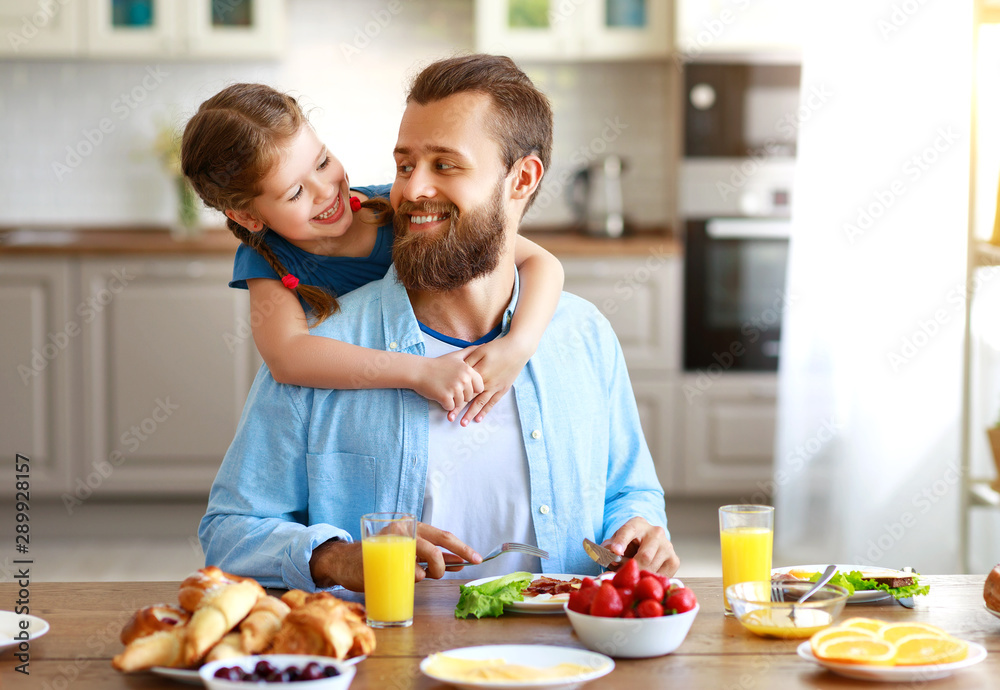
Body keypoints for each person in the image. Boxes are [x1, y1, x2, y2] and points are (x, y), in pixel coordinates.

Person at [200, 54, 679, 592]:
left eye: (445, 165)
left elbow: (630, 492)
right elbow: (229, 532)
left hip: (568, 662)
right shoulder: (319, 355)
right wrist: (335, 558)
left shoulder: (582, 335)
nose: (411, 190)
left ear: (522, 178)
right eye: (405, 165)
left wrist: (640, 532)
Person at [181, 83, 564, 425]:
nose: (325, 191)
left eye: (323, 162)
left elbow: (541, 262)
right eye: (295, 193)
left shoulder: (401, 208)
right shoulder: (268, 258)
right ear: (247, 216)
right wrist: (418, 373)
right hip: (360, 412)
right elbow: (287, 356)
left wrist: (518, 347)